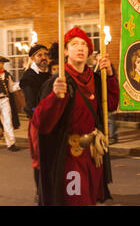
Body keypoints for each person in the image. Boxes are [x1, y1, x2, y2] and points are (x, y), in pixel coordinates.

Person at [31, 27, 119, 206]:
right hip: (70, 157)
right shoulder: (58, 81)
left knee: (90, 199)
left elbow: (110, 104)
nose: (80, 48)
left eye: (84, 45)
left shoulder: (96, 79)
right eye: (74, 44)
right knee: (77, 200)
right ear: (65, 51)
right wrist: (54, 97)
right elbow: (41, 123)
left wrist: (110, 76)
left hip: (93, 156)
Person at [19, 44, 51, 198]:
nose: (44, 57)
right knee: (40, 159)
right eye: (40, 55)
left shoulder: (51, 73)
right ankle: (40, 192)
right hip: (38, 122)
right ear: (32, 58)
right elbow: (31, 104)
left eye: (46, 54)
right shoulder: (28, 77)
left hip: (53, 121)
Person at [0, 56, 21, 152]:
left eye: (2, 63)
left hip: (4, 100)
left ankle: (11, 143)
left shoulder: (7, 75)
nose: (1, 65)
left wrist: (20, 84)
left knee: (8, 121)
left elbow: (11, 88)